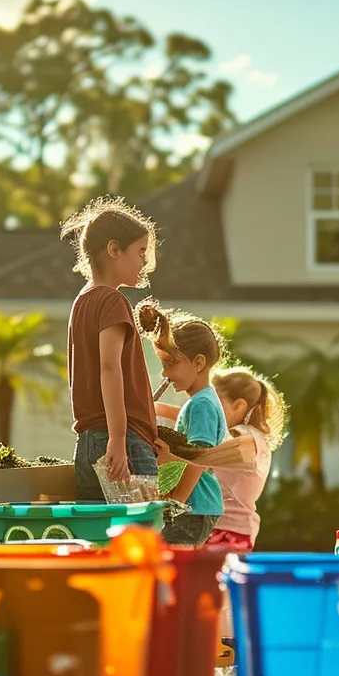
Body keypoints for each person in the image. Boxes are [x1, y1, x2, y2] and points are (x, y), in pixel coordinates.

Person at [61, 196, 160, 499]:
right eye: (140, 252)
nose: (145, 261)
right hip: (122, 443)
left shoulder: (82, 301)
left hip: (89, 441)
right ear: (114, 249)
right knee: (137, 540)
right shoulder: (113, 302)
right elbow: (109, 367)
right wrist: (118, 439)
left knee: (98, 540)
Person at [138, 299, 228, 546]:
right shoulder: (199, 401)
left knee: (175, 569)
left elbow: (200, 459)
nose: (165, 374)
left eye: (171, 363)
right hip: (194, 505)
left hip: (193, 507)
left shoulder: (202, 405)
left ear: (198, 363)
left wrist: (176, 502)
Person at [205, 366, 286, 552]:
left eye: (216, 404)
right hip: (241, 529)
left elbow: (201, 456)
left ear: (239, 406)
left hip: (223, 529)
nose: (210, 411)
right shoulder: (258, 438)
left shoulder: (238, 436)